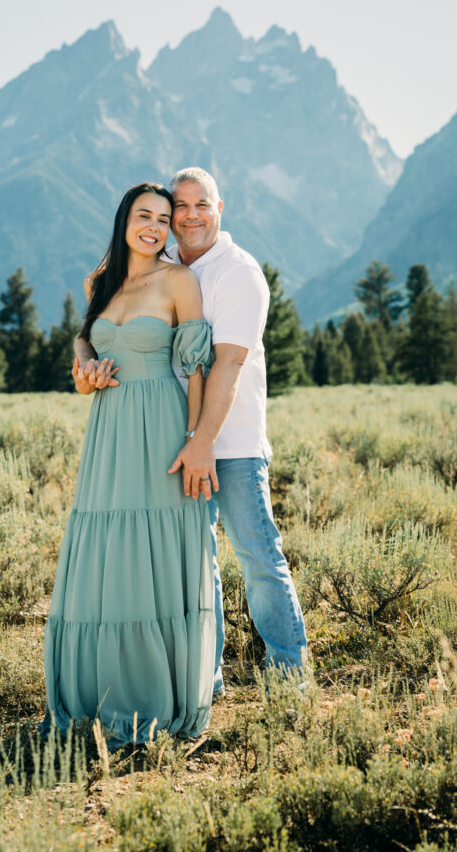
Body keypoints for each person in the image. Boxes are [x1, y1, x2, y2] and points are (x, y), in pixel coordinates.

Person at [43, 182, 215, 748]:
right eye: (145, 216)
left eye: (164, 219)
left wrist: (195, 441)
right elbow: (82, 342)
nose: (156, 227)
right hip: (109, 431)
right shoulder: (101, 281)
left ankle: (151, 691)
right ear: (124, 221)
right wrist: (85, 367)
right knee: (108, 548)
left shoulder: (178, 281)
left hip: (161, 427)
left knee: (155, 550)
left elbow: (193, 368)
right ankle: (97, 689)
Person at [165, 167, 308, 696]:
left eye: (201, 204)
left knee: (257, 557)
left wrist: (204, 443)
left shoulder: (238, 272)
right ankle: (207, 678)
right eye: (179, 205)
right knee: (194, 564)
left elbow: (228, 365)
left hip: (232, 446)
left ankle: (290, 677)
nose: (190, 215)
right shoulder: (165, 265)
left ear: (219, 209)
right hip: (178, 446)